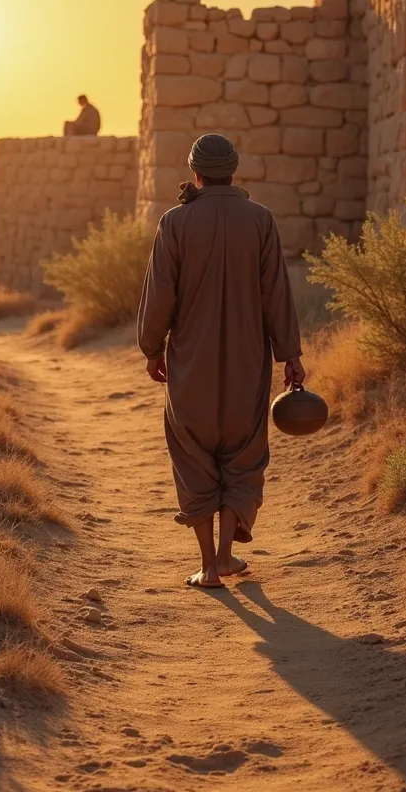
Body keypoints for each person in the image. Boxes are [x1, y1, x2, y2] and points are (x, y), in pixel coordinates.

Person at [137, 133, 305, 589]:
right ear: (233, 171)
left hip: (189, 364)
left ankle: (208, 564)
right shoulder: (260, 220)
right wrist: (290, 354)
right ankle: (228, 556)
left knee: (192, 454)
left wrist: (152, 349)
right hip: (249, 363)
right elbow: (277, 296)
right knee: (243, 454)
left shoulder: (175, 222)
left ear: (196, 173)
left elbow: (158, 297)